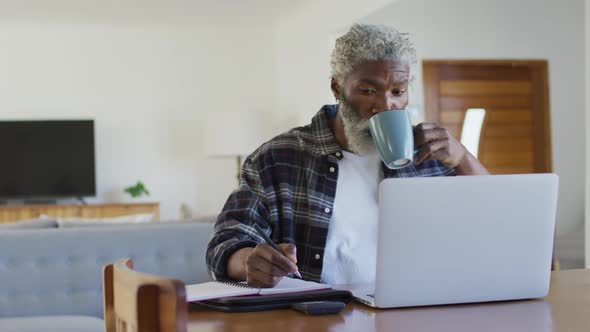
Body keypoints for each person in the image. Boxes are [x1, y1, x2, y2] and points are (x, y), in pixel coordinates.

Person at [206, 23, 489, 288]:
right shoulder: (278, 158)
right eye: (368, 91)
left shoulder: (428, 156)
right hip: (315, 318)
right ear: (337, 88)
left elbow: (494, 225)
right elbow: (225, 243)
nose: (385, 105)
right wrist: (247, 262)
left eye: (398, 91)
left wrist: (464, 159)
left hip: (415, 312)